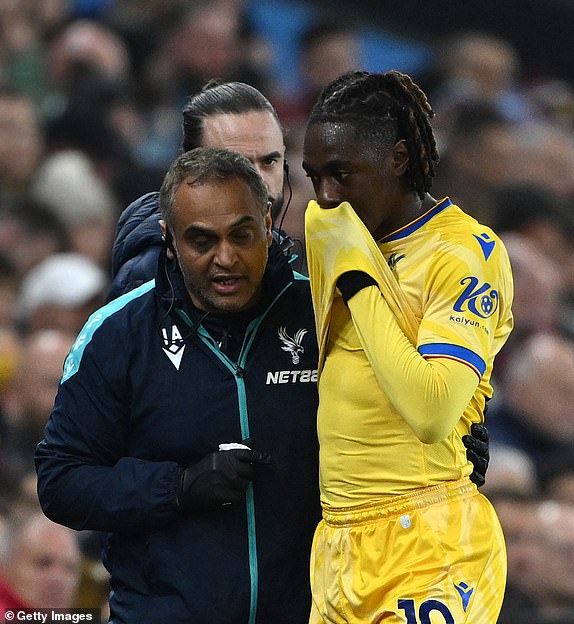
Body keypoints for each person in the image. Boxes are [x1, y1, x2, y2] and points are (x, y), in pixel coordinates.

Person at [35, 147, 321, 624]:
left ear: (268, 224)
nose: (225, 258)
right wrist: (176, 487)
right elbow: (61, 481)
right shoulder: (118, 332)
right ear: (169, 238)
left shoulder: (320, 312)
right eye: (201, 241)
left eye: (242, 235)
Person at [301, 70, 514, 623]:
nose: (327, 196)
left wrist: (357, 278)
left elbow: (432, 408)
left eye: (342, 174)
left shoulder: (464, 252)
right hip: (337, 546)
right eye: (315, 177)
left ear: (398, 158)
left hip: (430, 542)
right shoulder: (332, 228)